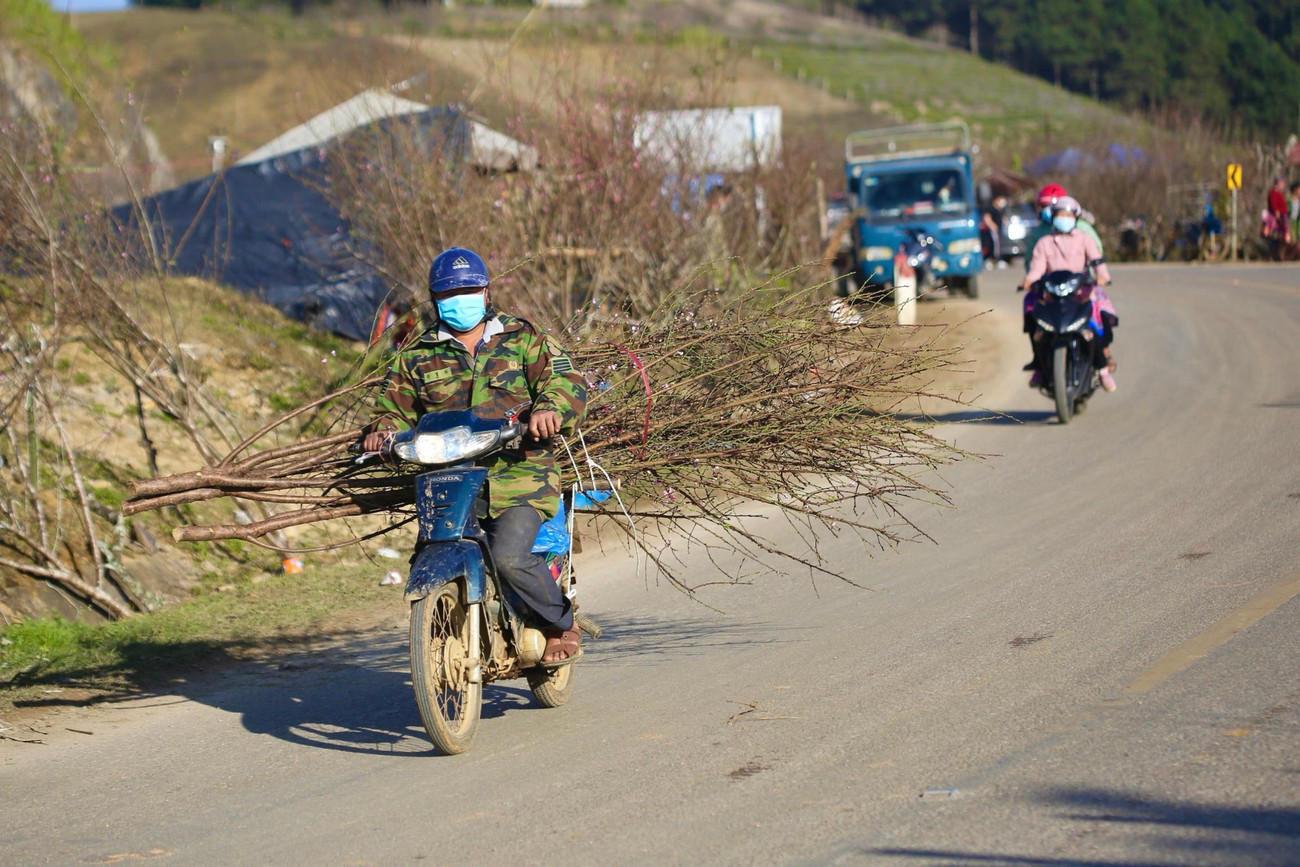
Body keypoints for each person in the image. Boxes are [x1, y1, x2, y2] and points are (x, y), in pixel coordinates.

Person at [363, 247, 588, 665]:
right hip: (448, 478)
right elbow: (390, 410)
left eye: (469, 289)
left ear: (486, 291)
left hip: (520, 475)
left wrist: (548, 410)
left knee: (508, 556)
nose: (460, 299)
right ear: (433, 298)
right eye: (450, 293)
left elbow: (567, 381)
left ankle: (561, 622)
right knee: (431, 553)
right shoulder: (416, 354)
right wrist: (381, 434)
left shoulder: (522, 337)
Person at [1019, 196, 1119, 392]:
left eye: (1068, 215)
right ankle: (1040, 366)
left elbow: (1097, 261)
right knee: (1039, 330)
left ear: (1075, 217)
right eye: (1059, 215)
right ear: (1053, 217)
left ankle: (1102, 370)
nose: (1064, 218)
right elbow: (1037, 266)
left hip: (1081, 294)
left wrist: (1102, 276)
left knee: (1092, 330)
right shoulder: (1044, 242)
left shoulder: (1085, 239)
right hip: (1052, 296)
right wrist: (1030, 280)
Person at [1024, 183, 1104, 265]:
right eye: (1043, 206)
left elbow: (1097, 254)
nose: (1046, 210)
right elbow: (1029, 259)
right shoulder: (1040, 230)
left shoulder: (1082, 227)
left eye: (1050, 206)